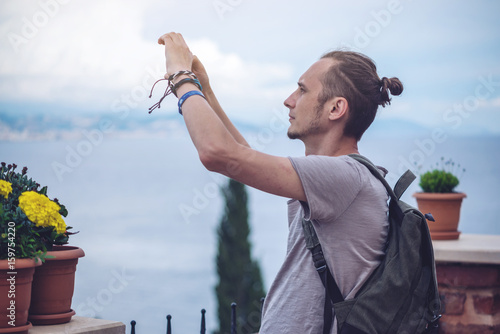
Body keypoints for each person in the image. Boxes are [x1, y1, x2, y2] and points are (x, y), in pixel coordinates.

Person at [156, 32, 403, 334]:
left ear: (335, 109)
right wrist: (204, 89)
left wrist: (180, 77)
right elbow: (241, 156)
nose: (288, 100)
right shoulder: (342, 176)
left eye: (302, 90)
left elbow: (217, 153)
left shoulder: (344, 177)